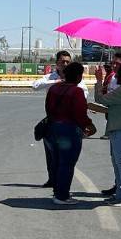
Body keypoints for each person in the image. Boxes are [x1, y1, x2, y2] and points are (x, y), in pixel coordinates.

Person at [44, 61, 95, 204]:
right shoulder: (77, 91)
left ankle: (57, 191)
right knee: (67, 163)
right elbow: (80, 114)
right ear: (79, 76)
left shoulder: (54, 88)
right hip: (69, 131)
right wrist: (89, 125)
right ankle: (62, 195)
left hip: (52, 128)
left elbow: (47, 108)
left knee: (56, 161)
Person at [94, 62, 121, 207]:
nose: (116, 74)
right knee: (118, 163)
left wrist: (99, 80)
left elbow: (100, 99)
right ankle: (120, 195)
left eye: (118, 71)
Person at [41, 50, 83, 187]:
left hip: (57, 126)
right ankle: (60, 191)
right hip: (67, 128)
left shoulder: (73, 88)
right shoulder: (54, 83)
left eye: (67, 62)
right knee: (64, 160)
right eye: (62, 62)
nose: (65, 64)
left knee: (60, 158)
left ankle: (58, 189)